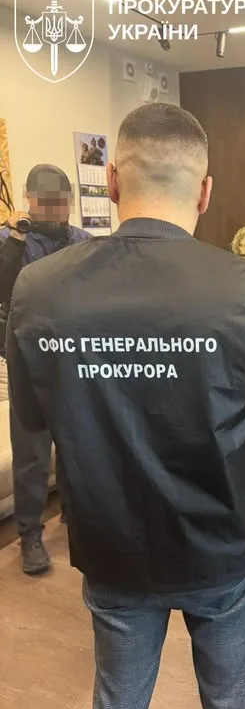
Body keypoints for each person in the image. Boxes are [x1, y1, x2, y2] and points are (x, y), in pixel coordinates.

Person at [7, 103, 245, 709]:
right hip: (224, 548)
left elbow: (33, 421)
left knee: (118, 707)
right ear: (205, 191)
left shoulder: (39, 288)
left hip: (113, 546)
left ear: (111, 182)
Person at [0, 164, 90, 575]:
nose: (56, 211)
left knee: (77, 445)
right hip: (28, 364)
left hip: (72, 360)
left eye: (61, 202)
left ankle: (74, 512)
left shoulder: (82, 242)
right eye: (46, 203)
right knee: (32, 455)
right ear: (30, 199)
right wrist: (16, 241)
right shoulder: (11, 240)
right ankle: (30, 534)